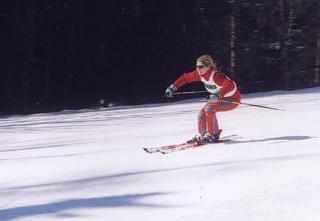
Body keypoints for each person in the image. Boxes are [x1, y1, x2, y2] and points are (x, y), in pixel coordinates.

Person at [165, 54, 241, 143]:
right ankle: (204, 135)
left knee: (209, 108)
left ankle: (212, 135)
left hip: (232, 100)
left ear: (208, 66)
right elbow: (185, 78)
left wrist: (218, 94)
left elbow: (231, 85)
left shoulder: (216, 76)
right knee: (201, 114)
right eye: (197, 66)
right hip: (218, 99)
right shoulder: (199, 74)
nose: (198, 69)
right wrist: (173, 87)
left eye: (201, 66)